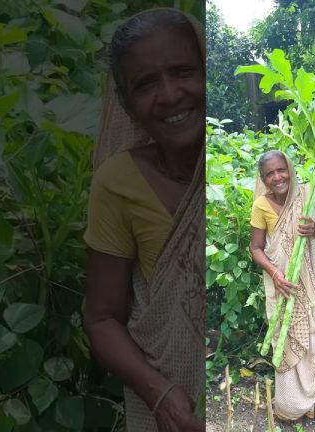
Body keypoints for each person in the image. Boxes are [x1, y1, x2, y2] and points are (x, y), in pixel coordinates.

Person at [82, 8, 205, 432]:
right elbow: (101, 318)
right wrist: (164, 397)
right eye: (146, 84)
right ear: (128, 105)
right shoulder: (119, 183)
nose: (170, 94)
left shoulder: (247, 165)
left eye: (184, 71)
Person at [250, 150, 315, 431]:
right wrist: (276, 274)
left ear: (290, 170)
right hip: (285, 286)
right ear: (264, 179)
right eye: (270, 174)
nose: (277, 177)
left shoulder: (310, 194)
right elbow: (256, 248)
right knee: (289, 338)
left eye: (282, 170)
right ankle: (294, 405)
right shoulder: (261, 205)